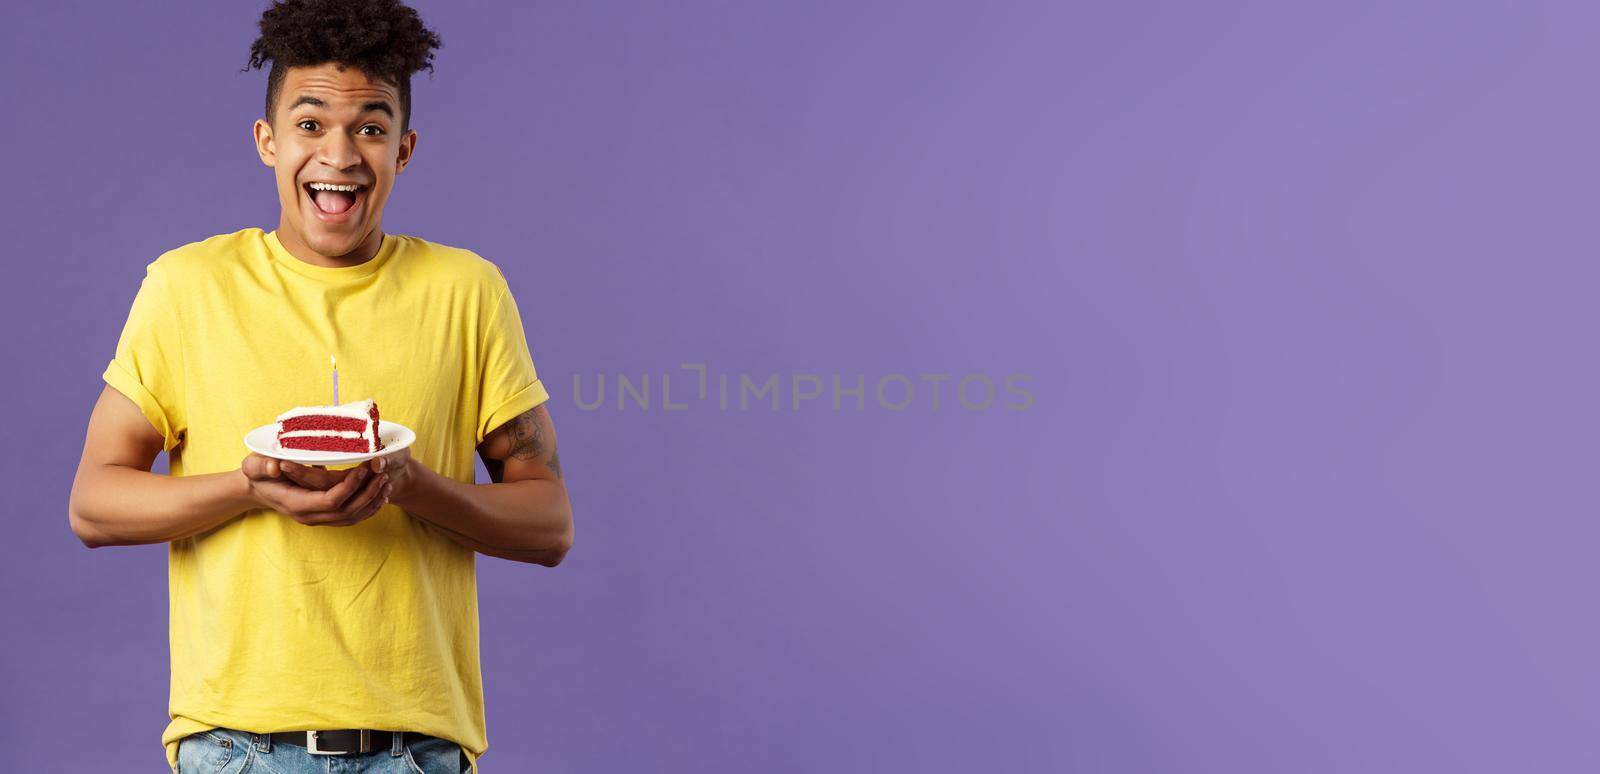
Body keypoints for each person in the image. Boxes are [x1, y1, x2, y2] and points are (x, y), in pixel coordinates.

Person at [66, 1, 574, 771]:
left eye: (369, 127)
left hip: (417, 752)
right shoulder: (186, 289)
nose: (339, 154)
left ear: (403, 150)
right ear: (268, 141)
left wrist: (414, 488)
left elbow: (549, 525)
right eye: (310, 124)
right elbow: (94, 506)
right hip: (236, 747)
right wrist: (248, 489)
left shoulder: (468, 291)